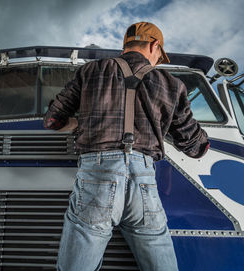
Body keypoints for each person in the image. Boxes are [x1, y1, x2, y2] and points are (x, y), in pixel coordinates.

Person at [43, 22, 209, 271]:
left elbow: (52, 120)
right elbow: (195, 147)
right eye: (158, 56)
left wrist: (82, 122)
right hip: (144, 177)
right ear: (154, 46)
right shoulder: (172, 84)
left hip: (97, 174)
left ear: (127, 44)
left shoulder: (91, 71)